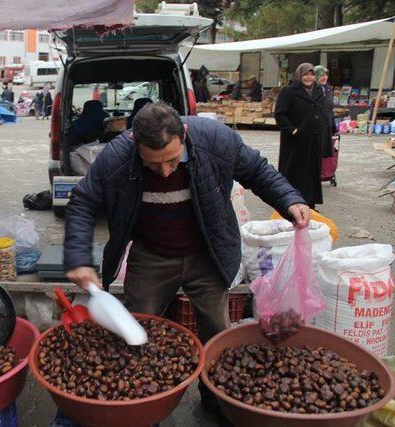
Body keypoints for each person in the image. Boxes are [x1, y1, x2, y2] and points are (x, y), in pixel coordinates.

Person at [63, 102, 309, 404]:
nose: (165, 172)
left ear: (185, 134)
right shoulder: (116, 157)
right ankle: (144, 400)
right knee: (137, 329)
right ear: (134, 144)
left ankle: (215, 397)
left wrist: (289, 199)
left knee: (217, 333)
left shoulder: (216, 140)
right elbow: (83, 201)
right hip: (151, 255)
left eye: (171, 160)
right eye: (153, 164)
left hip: (207, 251)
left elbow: (257, 170)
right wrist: (78, 257)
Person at [275, 63, 326, 209]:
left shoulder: (317, 90)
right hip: (296, 141)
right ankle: (291, 202)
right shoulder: (289, 91)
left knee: (312, 171)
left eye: (311, 74)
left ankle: (310, 203)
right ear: (299, 75)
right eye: (305, 74)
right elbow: (280, 114)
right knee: (294, 171)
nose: (309, 77)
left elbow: (322, 111)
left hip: (314, 139)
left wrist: (325, 128)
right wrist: (291, 130)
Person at [314, 65, 336, 158]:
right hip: (315, 126)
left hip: (327, 125)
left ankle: (323, 172)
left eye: (326, 75)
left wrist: (333, 126)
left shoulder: (329, 89)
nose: (324, 77)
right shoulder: (311, 90)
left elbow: (330, 109)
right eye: (321, 75)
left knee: (324, 154)